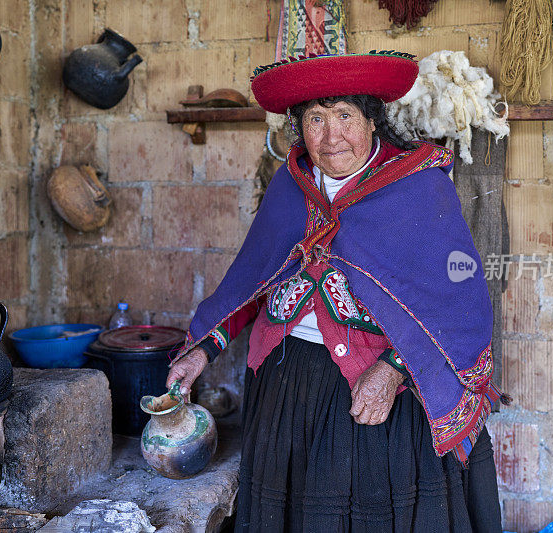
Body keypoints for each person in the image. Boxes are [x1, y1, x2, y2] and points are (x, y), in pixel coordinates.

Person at [167, 51, 505, 532]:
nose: (331, 136)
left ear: (371, 120)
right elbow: (252, 278)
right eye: (316, 119)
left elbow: (459, 304)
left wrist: (390, 372)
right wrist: (202, 350)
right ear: (299, 128)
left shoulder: (419, 188)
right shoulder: (292, 184)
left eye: (345, 115)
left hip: (378, 390)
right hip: (287, 389)